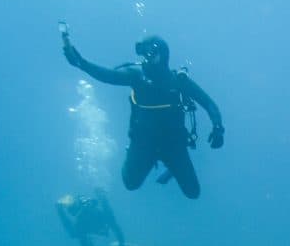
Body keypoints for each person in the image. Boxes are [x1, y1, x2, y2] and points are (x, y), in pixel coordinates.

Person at [63, 34, 224, 199]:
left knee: (193, 192)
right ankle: (151, 159)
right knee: (130, 184)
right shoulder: (136, 75)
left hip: (174, 144)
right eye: (143, 52)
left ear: (162, 54)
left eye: (150, 52)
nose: (146, 57)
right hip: (143, 143)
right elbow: (108, 76)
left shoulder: (179, 81)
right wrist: (81, 63)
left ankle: (171, 167)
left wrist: (218, 127)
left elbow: (209, 103)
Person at [56, 189, 125, 246]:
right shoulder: (103, 216)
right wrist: (120, 245)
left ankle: (100, 193)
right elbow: (115, 227)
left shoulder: (82, 225)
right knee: (74, 233)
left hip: (88, 218)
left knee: (74, 234)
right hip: (91, 217)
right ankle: (100, 192)